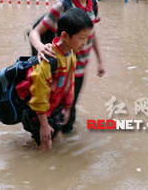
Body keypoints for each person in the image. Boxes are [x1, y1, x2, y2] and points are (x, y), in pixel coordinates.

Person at [29, 0, 105, 134]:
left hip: (80, 69)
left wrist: (100, 60)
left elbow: (92, 34)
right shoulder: (62, 6)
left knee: (69, 111)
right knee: (53, 111)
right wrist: (40, 47)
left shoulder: (93, 2)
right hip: (62, 71)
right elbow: (35, 32)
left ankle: (63, 145)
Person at [18, 8, 94, 150]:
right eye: (82, 38)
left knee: (57, 137)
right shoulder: (48, 61)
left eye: (87, 38)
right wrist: (44, 124)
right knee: (45, 144)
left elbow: (69, 82)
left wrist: (67, 107)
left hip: (54, 106)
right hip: (37, 111)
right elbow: (38, 95)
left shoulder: (71, 53)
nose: (85, 43)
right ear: (65, 36)